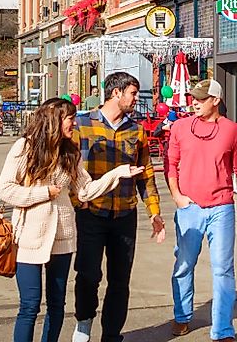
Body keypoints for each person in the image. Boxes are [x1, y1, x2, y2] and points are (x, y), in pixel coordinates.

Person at [0, 98, 142, 342]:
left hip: (62, 238)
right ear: (54, 120)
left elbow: (85, 190)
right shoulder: (25, 147)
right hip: (30, 238)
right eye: (70, 118)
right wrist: (44, 193)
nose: (74, 123)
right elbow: (5, 189)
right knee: (30, 306)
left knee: (57, 305)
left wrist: (118, 174)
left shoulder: (70, 152)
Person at [72, 72, 165, 342]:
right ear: (116, 93)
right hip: (91, 214)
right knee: (88, 274)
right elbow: (68, 168)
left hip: (125, 214)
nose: (137, 99)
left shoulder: (136, 130)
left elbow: (145, 174)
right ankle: (84, 321)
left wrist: (155, 212)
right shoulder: (81, 124)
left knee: (120, 279)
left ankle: (112, 334)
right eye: (133, 93)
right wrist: (78, 201)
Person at [165, 79, 237, 342]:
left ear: (216, 100)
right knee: (184, 265)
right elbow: (171, 164)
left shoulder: (233, 131)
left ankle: (222, 330)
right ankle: (182, 316)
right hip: (189, 207)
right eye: (193, 97)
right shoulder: (180, 127)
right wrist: (177, 196)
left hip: (221, 207)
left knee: (223, 269)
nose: (194, 102)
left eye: (201, 98)